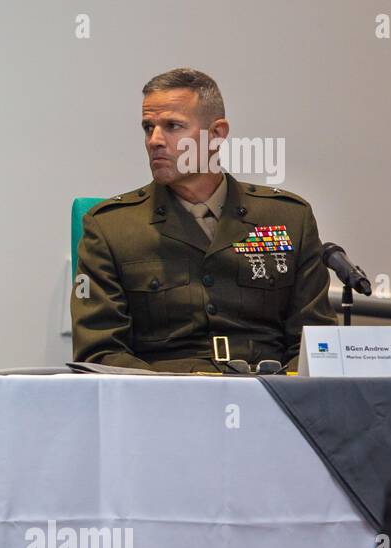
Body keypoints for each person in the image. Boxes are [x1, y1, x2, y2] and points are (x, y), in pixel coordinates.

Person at [72, 68, 336, 372]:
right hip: (163, 403)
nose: (155, 140)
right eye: (148, 128)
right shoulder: (110, 228)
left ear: (216, 134)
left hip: (270, 396)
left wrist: (281, 395)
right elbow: (100, 352)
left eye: (172, 126)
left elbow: (315, 345)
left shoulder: (289, 218)